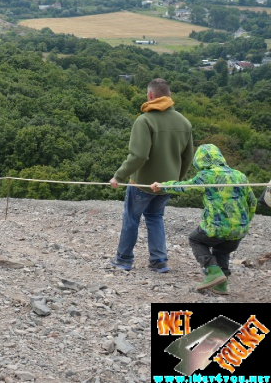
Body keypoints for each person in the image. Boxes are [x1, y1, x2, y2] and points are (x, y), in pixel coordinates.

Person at [109, 78, 194, 273]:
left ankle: (123, 260)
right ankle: (159, 261)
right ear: (170, 96)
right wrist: (175, 180)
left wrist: (118, 176)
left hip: (143, 184)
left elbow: (139, 155)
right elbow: (188, 157)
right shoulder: (184, 122)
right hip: (167, 185)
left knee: (131, 218)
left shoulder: (145, 120)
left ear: (150, 95)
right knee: (155, 217)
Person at [150, 144, 257, 295]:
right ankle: (221, 285)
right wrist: (244, 222)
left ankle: (213, 272)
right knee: (222, 250)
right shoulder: (240, 175)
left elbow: (185, 187)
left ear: (200, 160)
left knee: (196, 239)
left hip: (217, 227)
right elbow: (252, 202)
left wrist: (162, 186)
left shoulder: (207, 176)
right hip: (239, 230)